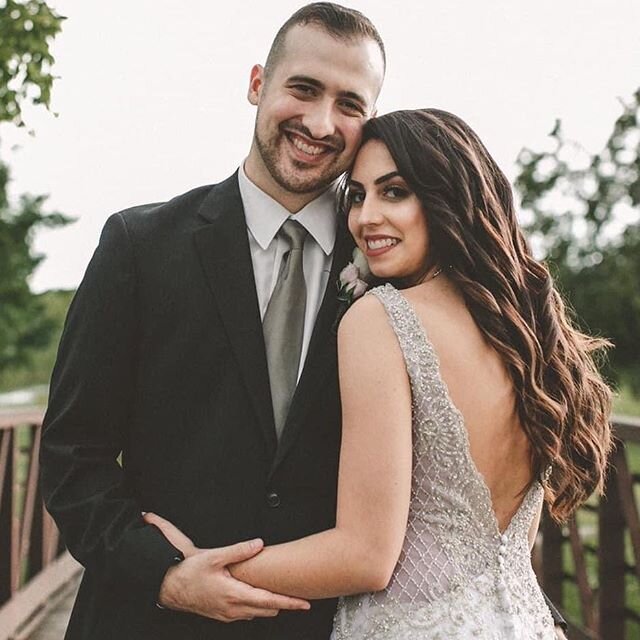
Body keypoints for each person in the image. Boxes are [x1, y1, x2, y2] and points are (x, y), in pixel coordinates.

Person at [146, 109, 611, 638]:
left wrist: (200, 573)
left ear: (446, 199)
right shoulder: (527, 337)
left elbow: (365, 556)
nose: (366, 218)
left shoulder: (381, 318)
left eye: (394, 193)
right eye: (358, 196)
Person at [39, 4, 386, 639]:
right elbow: (72, 455)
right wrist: (164, 575)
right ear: (257, 84)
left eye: (349, 104)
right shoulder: (138, 246)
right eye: (303, 89)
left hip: (316, 627)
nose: (319, 122)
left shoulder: (391, 266)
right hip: (144, 621)